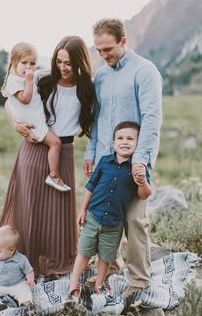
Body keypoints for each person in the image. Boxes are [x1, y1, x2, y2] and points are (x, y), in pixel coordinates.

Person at [0, 36, 96, 278]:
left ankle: (57, 262)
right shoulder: (41, 78)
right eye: (59, 61)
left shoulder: (87, 88)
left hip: (63, 151)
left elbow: (96, 124)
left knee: (59, 212)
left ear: (80, 62)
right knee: (28, 207)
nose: (63, 67)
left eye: (68, 63)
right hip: (33, 148)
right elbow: (10, 100)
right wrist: (15, 124)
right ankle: (23, 263)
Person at [84, 18, 162, 297]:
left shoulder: (145, 71)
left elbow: (152, 119)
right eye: (99, 50)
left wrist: (141, 159)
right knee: (104, 217)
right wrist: (91, 153)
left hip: (133, 161)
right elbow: (96, 118)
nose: (103, 55)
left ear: (123, 41)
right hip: (106, 161)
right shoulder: (101, 76)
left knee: (134, 219)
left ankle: (139, 281)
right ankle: (111, 270)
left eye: (108, 49)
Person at [68, 121, 152, 302]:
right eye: (120, 138)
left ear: (138, 143)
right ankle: (73, 284)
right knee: (84, 252)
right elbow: (91, 186)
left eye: (130, 138)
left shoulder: (137, 167)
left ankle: (99, 284)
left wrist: (142, 181)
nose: (125, 142)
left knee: (105, 257)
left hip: (114, 223)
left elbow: (145, 194)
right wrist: (82, 210)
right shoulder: (105, 161)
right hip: (93, 216)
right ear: (113, 143)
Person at [1, 42, 70, 192]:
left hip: (37, 119)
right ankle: (54, 175)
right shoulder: (14, 81)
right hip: (34, 124)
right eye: (24, 63)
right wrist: (30, 81)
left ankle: (53, 175)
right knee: (56, 143)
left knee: (54, 143)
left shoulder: (21, 78)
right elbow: (25, 99)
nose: (29, 67)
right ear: (14, 62)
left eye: (32, 63)